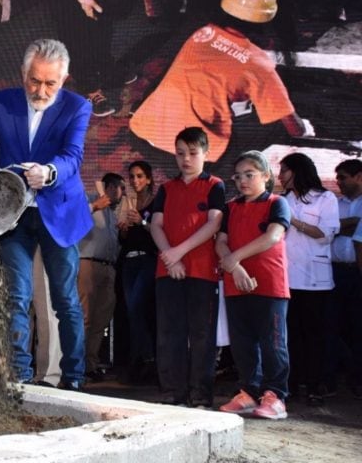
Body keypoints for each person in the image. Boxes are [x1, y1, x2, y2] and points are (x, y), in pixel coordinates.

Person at [0, 38, 92, 390]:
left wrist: (49, 172)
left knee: (65, 300)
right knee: (15, 296)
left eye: (51, 83)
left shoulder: (78, 107)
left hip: (58, 212)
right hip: (13, 213)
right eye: (35, 81)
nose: (41, 90)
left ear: (64, 80)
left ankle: (73, 378)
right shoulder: (3, 102)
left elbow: (73, 155)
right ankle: (18, 377)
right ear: (23, 74)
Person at [129, 0, 313, 174]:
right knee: (277, 125)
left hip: (143, 134)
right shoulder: (258, 63)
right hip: (190, 157)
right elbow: (294, 128)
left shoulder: (203, 33)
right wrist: (305, 128)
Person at [150, 127, 225, 408]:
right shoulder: (166, 188)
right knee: (170, 333)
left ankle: (200, 395)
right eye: (181, 153)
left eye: (193, 153)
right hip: (167, 270)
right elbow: (156, 225)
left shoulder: (215, 184)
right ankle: (173, 393)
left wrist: (178, 252)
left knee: (202, 335)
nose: (186, 159)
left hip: (202, 271)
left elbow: (214, 223)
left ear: (206, 154)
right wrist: (169, 257)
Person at [216, 150, 291, 420]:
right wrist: (234, 267)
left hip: (269, 284)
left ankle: (276, 395)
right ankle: (249, 391)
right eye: (238, 177)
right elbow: (220, 242)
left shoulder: (277, 202)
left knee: (272, 343)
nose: (243, 181)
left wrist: (235, 258)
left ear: (266, 176)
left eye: (250, 175)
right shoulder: (231, 207)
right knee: (242, 343)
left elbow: (272, 237)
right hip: (237, 283)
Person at [278, 152, 339, 406]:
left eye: (284, 171)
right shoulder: (282, 199)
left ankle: (316, 384)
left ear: (297, 171)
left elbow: (325, 234)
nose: (280, 176)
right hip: (287, 276)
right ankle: (291, 383)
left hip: (316, 279)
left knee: (315, 333)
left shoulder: (325, 198)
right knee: (290, 333)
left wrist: (294, 221)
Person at [78, 173, 122, 382]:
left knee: (100, 320)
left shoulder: (113, 213)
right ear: (112, 187)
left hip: (109, 267)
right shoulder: (88, 199)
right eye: (121, 188)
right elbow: (74, 220)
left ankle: (90, 364)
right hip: (88, 263)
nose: (122, 193)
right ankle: (75, 364)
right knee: (84, 317)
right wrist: (95, 205)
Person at [118, 160, 158, 384]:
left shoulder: (155, 203)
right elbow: (124, 241)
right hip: (129, 262)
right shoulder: (129, 203)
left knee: (137, 308)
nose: (135, 181)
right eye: (132, 176)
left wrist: (142, 222)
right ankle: (139, 359)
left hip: (148, 260)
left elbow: (159, 233)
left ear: (149, 178)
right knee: (132, 311)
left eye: (140, 176)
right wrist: (124, 230)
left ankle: (148, 359)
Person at [325, 159, 362, 398]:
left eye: (344, 177)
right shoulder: (334, 203)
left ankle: (357, 379)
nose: (338, 182)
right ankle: (336, 377)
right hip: (334, 271)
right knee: (332, 325)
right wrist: (346, 225)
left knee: (358, 327)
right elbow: (327, 229)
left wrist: (342, 227)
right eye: (337, 178)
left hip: (357, 272)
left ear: (359, 176)